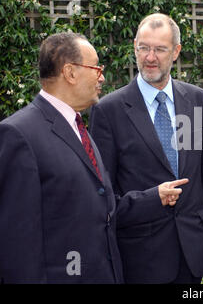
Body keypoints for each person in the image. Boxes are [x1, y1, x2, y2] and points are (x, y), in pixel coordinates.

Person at [0, 32, 188, 283]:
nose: (102, 77)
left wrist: (154, 197)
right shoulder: (19, 134)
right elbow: (17, 244)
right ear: (70, 73)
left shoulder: (79, 129)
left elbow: (101, 208)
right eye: (96, 67)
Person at [89, 13, 203, 284]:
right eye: (143, 48)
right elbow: (103, 195)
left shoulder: (197, 99)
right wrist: (152, 199)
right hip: (141, 257)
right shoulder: (108, 110)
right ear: (135, 46)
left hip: (192, 252)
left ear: (176, 52)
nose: (150, 57)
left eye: (160, 49)